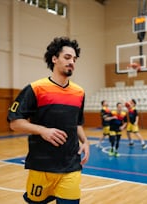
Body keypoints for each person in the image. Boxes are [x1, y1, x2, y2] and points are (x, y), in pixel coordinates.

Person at [7, 37, 90, 204]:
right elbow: (14, 123)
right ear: (54, 59)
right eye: (67, 57)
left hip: (70, 165)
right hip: (41, 166)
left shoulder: (79, 92)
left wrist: (85, 141)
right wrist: (43, 131)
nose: (72, 62)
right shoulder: (35, 88)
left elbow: (77, 123)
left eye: (74, 59)